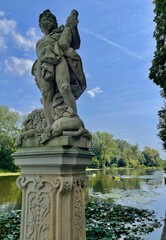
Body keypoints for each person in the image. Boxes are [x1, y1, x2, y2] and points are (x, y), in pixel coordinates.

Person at [32, 9, 86, 127]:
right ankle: (50, 128)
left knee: (65, 88)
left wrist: (73, 26)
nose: (47, 21)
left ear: (55, 22)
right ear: (41, 26)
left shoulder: (62, 31)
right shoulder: (39, 43)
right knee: (46, 95)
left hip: (60, 58)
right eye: (44, 20)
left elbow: (75, 44)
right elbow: (40, 55)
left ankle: (74, 119)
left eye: (50, 18)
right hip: (43, 66)